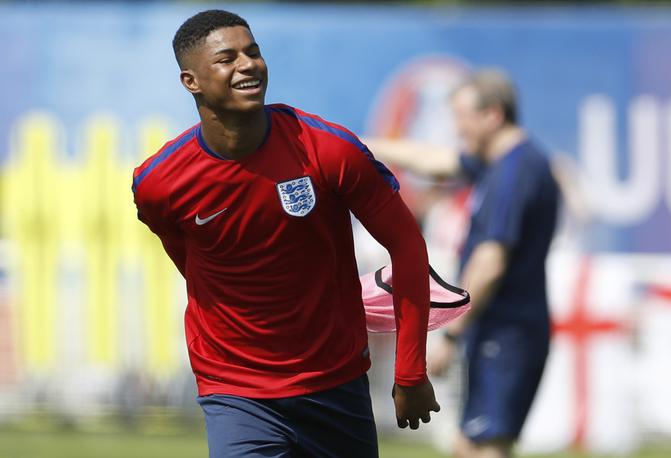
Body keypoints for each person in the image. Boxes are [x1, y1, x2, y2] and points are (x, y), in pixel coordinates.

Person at [131, 9, 440, 458]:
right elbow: (193, 263)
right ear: (191, 82)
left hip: (335, 382)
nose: (248, 65)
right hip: (236, 390)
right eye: (227, 58)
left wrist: (410, 371)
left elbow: (407, 245)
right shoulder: (159, 184)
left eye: (253, 52)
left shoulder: (330, 150)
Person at [367, 69, 560, 458]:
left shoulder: (514, 173)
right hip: (500, 330)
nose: (457, 129)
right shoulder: (499, 163)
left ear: (492, 115)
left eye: (462, 118)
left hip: (507, 333)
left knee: (485, 446)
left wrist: (452, 337)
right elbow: (433, 161)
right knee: (468, 445)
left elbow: (491, 261)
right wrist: (359, 145)